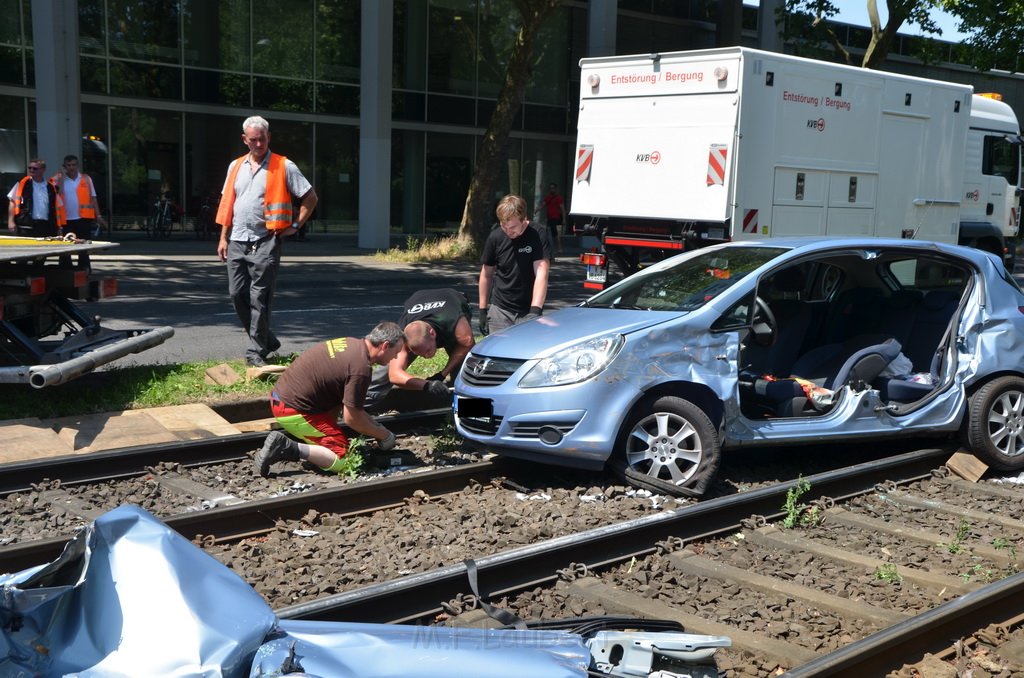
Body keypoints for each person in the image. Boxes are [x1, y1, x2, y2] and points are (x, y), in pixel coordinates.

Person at [216, 115, 318, 367]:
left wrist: (295, 225)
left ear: (269, 137)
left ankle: (256, 351)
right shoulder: (235, 166)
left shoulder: (284, 166)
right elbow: (229, 203)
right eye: (253, 140)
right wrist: (223, 238)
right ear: (245, 140)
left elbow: (310, 197)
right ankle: (267, 339)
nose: (259, 144)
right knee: (236, 293)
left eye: (262, 139)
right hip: (238, 239)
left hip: (267, 240)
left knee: (259, 297)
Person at [255, 321, 405, 477]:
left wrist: (375, 426)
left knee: (339, 419)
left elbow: (352, 407)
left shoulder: (351, 343)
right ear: (385, 346)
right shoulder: (360, 369)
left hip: (281, 397)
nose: (395, 357)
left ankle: (315, 443)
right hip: (293, 410)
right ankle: (286, 447)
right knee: (346, 462)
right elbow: (352, 419)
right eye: (396, 352)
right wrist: (384, 435)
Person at [364, 288, 475, 412]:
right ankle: (360, 406)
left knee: (467, 368)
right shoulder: (403, 334)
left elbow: (467, 343)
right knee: (386, 368)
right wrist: (427, 385)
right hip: (419, 300)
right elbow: (394, 375)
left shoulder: (453, 322)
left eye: (427, 351)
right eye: (419, 354)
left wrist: (442, 374)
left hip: (450, 308)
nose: (426, 357)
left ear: (432, 334)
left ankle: (472, 415)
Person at [478, 194, 550, 336]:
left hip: (528, 309)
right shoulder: (496, 237)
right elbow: (486, 274)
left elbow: (541, 273)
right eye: (504, 226)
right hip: (500, 310)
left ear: (524, 220)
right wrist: (482, 310)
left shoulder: (538, 234)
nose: (508, 232)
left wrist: (535, 310)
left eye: (512, 227)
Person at [51, 154, 106, 240]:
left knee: (83, 248)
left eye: (74, 165)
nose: (71, 167)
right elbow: (56, 192)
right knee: (66, 249)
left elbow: (93, 198)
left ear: (78, 166)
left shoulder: (86, 179)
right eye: (68, 165)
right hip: (65, 220)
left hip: (83, 219)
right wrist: (61, 176)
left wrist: (98, 215)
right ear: (64, 166)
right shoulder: (58, 179)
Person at [7, 159, 60, 237]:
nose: (31, 170)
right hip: (26, 225)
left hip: (46, 226)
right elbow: (12, 202)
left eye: (35, 168)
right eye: (29, 168)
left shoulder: (50, 187)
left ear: (43, 170)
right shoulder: (22, 183)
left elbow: (57, 207)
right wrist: (10, 221)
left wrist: (59, 226)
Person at [541, 182, 567, 254]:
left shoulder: (559, 198)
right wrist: (537, 210)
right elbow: (543, 204)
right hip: (549, 218)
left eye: (553, 188)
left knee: (555, 234)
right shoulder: (547, 197)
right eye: (550, 188)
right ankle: (554, 248)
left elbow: (562, 209)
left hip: (556, 218)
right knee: (551, 233)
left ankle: (559, 248)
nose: (551, 189)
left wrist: (564, 219)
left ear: (555, 189)